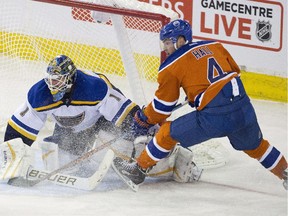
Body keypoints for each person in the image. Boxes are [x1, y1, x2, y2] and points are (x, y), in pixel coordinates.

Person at [112, 19, 288, 190]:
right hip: (243, 107)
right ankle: (285, 173)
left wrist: (144, 118)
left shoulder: (171, 66)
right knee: (257, 146)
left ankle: (137, 170)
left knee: (166, 133)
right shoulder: (215, 45)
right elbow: (233, 72)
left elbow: (162, 107)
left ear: (180, 40)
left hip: (216, 116)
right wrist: (199, 93)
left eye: (167, 42)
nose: (165, 48)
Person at [0, 54, 201, 183]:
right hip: (70, 130)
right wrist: (11, 159)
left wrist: (139, 133)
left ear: (70, 79)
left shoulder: (94, 88)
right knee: (66, 165)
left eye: (58, 80)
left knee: (124, 158)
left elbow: (127, 115)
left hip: (103, 122)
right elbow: (18, 129)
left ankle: (173, 162)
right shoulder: (39, 94)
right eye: (50, 80)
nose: (53, 85)